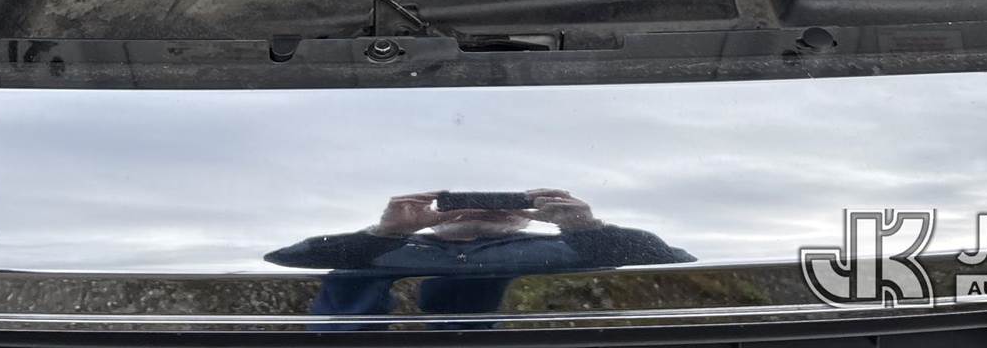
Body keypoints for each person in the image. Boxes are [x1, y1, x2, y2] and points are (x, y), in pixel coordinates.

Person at [265, 188, 692, 317]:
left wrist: (586, 229)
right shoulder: (379, 250)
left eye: (502, 200)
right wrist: (386, 232)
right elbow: (284, 259)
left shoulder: (565, 246)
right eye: (462, 200)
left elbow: (674, 263)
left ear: (523, 213)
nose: (480, 207)